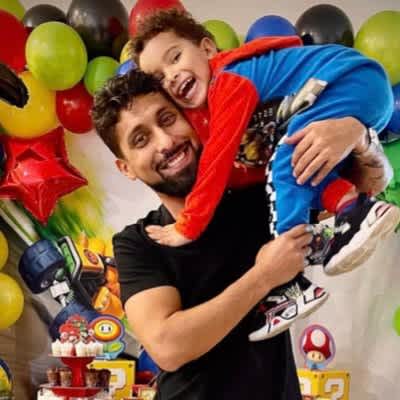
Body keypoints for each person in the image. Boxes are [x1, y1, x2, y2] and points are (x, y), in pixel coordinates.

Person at [92, 69, 392, 400]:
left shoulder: (261, 193)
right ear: (126, 168)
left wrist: (356, 134)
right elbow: (168, 347)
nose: (165, 142)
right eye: (141, 139)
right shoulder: (139, 242)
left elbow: (365, 191)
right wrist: (263, 277)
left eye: (167, 119)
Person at [131, 10, 400, 339]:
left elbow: (218, 158)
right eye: (160, 78)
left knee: (286, 162)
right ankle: (356, 210)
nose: (171, 76)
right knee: (301, 167)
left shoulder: (228, 80)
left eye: (175, 58)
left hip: (351, 82)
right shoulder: (223, 108)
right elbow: (240, 171)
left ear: (207, 49)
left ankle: (290, 285)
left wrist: (189, 225)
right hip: (361, 85)